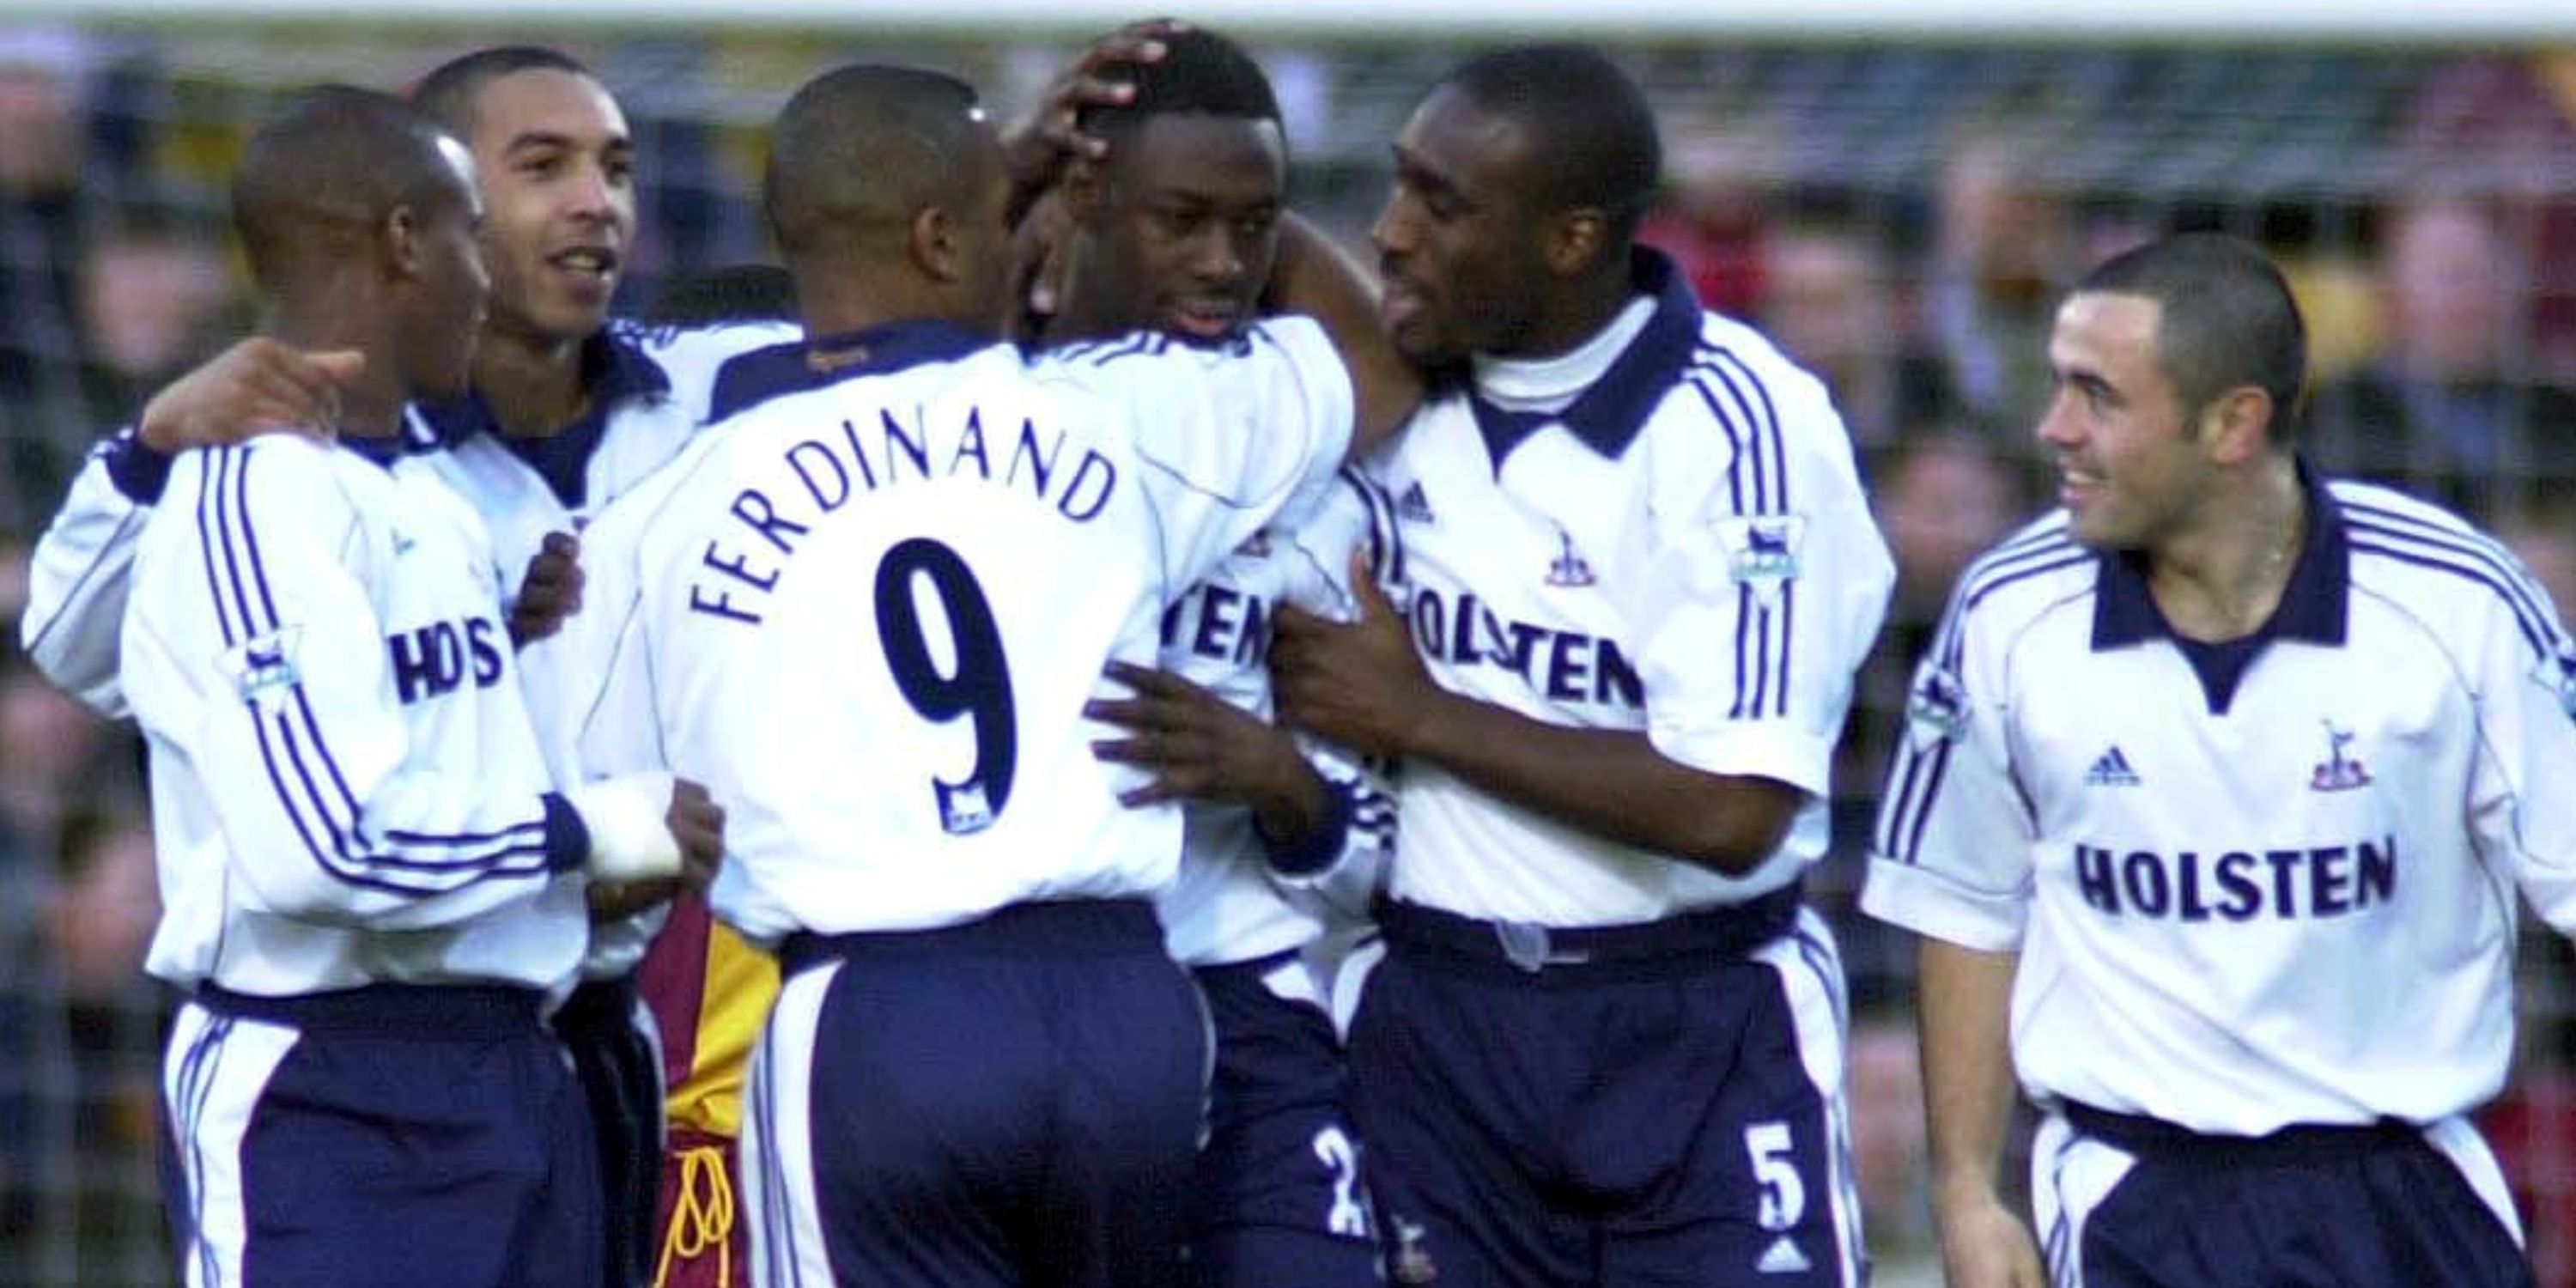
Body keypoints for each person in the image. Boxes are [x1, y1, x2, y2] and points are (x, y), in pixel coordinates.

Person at [562, 59, 1414, 1288]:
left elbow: (625, 840)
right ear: (946, 234)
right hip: (1125, 1008)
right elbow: (1367, 357)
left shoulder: (665, 504)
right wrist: (1186, 198)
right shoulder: (1120, 421)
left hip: (879, 1013)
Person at [16, 46, 797, 1288]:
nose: (596, 202)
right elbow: (284, 811)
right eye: (534, 172)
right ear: (413, 230)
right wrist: (582, 837)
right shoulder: (272, 475)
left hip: (570, 1046)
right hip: (340, 1074)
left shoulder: (616, 436)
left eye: (618, 167)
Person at [1269, 44, 1889, 1288]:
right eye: (1398, 187)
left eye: (1443, 205)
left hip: (1701, 1022)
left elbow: (1732, 806)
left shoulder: (1737, 433)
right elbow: (1259, 239)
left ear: (1570, 241)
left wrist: (1424, 714)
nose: (1391, 236)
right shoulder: (1381, 396)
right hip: (1439, 1024)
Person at [1861, 231, 2569, 1287]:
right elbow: (1965, 906)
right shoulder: (2009, 613)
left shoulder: (2457, 603)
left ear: (2232, 422)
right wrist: (1966, 1190)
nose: (2056, 428)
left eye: (2099, 397)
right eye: (2059, 387)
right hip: (2133, 1198)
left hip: (2407, 1191)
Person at [1030, 26, 1393, 1286]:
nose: (1222, 265)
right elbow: (1378, 361)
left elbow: (1375, 864)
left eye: (1257, 227)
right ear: (1083, 196)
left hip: (1255, 1007)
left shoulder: (1318, 501)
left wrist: (1284, 784)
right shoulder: (978, 414)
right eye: (1181, 220)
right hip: (1042, 1005)